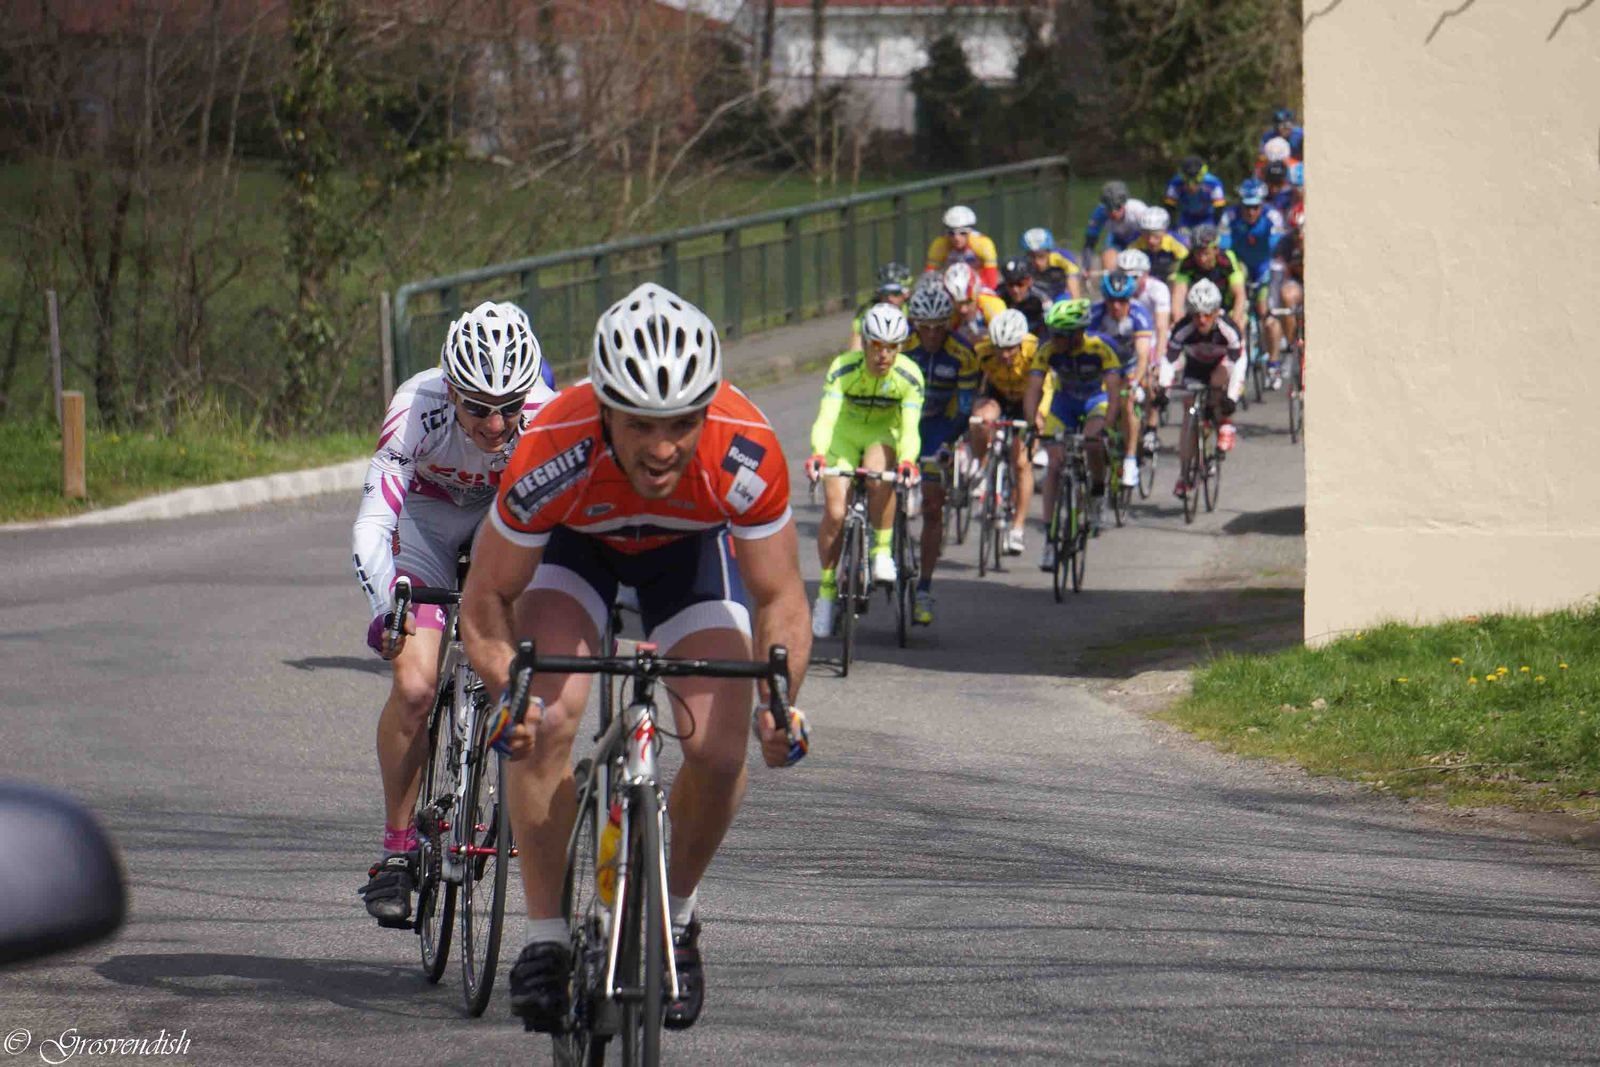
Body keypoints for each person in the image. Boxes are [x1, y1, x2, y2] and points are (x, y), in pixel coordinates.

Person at [460, 282, 813, 1034]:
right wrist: (507, 688)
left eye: (683, 423)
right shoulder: (554, 443)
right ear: (603, 409)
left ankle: (676, 921)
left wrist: (780, 702)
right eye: (641, 424)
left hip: (686, 558)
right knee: (547, 715)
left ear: (708, 409)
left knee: (720, 746)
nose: (662, 448)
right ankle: (547, 938)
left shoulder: (743, 446)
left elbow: (780, 596)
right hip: (577, 551)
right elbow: (486, 598)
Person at [353, 301, 557, 929]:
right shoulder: (417, 404)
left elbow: (568, 526)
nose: (495, 425)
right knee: (415, 686)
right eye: (477, 407)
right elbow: (374, 523)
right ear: (451, 391)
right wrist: (386, 606)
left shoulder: (549, 414)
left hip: (502, 520)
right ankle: (396, 850)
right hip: (426, 521)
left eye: (509, 407)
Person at [806, 304, 925, 638]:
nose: (883, 355)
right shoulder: (843, 368)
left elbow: (911, 427)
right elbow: (826, 417)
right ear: (865, 343)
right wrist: (818, 454)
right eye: (876, 345)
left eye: (892, 347)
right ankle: (827, 592)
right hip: (844, 437)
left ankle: (882, 550)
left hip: (880, 436)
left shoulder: (910, 376)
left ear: (900, 347)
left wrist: (908, 460)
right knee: (834, 512)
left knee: (877, 473)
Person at [902, 283, 981, 624]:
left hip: (937, 429)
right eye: (925, 327)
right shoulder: (902, 347)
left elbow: (963, 409)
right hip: (900, 425)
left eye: (939, 327)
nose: (932, 335)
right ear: (915, 324)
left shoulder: (963, 353)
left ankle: (924, 588)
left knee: (933, 506)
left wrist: (948, 444)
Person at [1026, 298, 1121, 568]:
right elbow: (1033, 388)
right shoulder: (1047, 349)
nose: (1052, 339)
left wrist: (1107, 425)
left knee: (1092, 443)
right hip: (1064, 404)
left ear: (1076, 334)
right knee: (1055, 465)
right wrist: (1032, 423)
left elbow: (1114, 392)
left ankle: (1098, 493)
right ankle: (1049, 538)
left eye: (1058, 335)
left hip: (1095, 400)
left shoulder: (1100, 347)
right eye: (1051, 333)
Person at [1159, 279, 1247, 499]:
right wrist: (1163, 389)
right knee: (1189, 415)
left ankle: (1224, 422)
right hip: (1195, 367)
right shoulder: (1183, 328)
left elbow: (1239, 362)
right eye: (1196, 314)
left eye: (1208, 314)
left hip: (1222, 365)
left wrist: (1232, 397)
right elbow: (1169, 359)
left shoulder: (1228, 328)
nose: (1202, 320)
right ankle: (1184, 475)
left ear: (1217, 312)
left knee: (1217, 382)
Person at [970, 308, 1040, 555]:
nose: (1005, 354)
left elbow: (1048, 387)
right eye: (1000, 348)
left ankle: (1017, 528)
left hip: (1027, 400)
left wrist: (1039, 418)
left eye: (1010, 349)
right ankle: (982, 466)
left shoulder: (1035, 351)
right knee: (980, 421)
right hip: (998, 395)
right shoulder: (983, 351)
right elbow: (973, 387)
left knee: (1021, 462)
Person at [1086, 270, 1155, 490]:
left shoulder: (1139, 315)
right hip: (1102, 367)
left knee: (1128, 400)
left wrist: (1135, 383)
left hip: (1129, 366)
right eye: (1111, 301)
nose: (1116, 306)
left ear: (1130, 299)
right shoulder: (1094, 314)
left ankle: (1130, 458)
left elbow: (1143, 356)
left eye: (1122, 301)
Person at [1219, 178, 1287, 385]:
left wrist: (1266, 276)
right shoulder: (1229, 216)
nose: (1251, 212)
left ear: (1262, 204)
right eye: (1247, 207)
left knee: (1267, 315)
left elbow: (1277, 247)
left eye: (1256, 207)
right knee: (1234, 312)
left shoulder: (1272, 216)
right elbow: (1224, 248)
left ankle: (1273, 364)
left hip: (1264, 266)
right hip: (1240, 265)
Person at [1169, 224, 1248, 338]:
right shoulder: (1187, 262)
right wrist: (1178, 323)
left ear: (1216, 250)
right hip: (1198, 311)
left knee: (1241, 321)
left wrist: (1234, 323)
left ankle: (1240, 348)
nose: (1202, 259)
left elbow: (1239, 295)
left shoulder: (1226, 259)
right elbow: (1178, 296)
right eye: (1198, 253)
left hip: (1226, 307)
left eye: (1206, 253)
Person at [1080, 180, 1149, 274]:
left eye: (1118, 207)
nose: (1113, 212)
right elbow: (1089, 243)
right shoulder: (1099, 214)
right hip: (1117, 241)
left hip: (1139, 240)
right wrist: (1086, 266)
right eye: (1109, 208)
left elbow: (1154, 234)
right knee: (1107, 257)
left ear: (1124, 203)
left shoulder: (1138, 210)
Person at [925, 205, 1000, 289]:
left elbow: (991, 282)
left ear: (971, 231)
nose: (956, 238)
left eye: (963, 233)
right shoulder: (940, 245)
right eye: (951, 233)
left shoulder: (983, 245)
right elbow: (928, 278)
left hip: (979, 286)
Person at [848, 261, 914, 350]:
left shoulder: (913, 310)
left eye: (895, 293)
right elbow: (855, 348)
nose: (890, 298)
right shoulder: (867, 311)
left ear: (907, 294)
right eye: (885, 293)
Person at [1162, 156, 1228, 241]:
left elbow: (1219, 208)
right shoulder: (1175, 183)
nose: (1191, 186)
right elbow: (1169, 206)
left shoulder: (1213, 183)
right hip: (1186, 217)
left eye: (1196, 182)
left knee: (1208, 240)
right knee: (1181, 240)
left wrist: (1215, 226)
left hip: (1208, 217)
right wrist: (1173, 225)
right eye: (1187, 182)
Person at [943, 261, 1007, 342]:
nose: (963, 310)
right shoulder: (946, 308)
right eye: (957, 303)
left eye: (968, 302)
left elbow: (1005, 341)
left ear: (977, 293)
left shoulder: (992, 304)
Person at [1019, 227, 1083, 299]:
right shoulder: (1023, 263)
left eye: (1041, 256)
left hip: (1060, 295)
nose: (1037, 262)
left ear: (1049, 251)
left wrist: (1076, 301)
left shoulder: (1061, 257)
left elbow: (1073, 279)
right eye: (1032, 256)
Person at [998, 256, 1054, 334]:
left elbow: (1051, 327)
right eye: (1010, 284)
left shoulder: (1042, 298)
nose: (1015, 290)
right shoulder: (998, 296)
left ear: (1029, 282)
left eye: (1020, 284)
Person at [1136, 206, 1190, 284]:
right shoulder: (1137, 242)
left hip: (1168, 280)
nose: (1150, 240)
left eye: (1155, 234)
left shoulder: (1175, 243)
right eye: (1146, 234)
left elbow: (1186, 263)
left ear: (1164, 231)